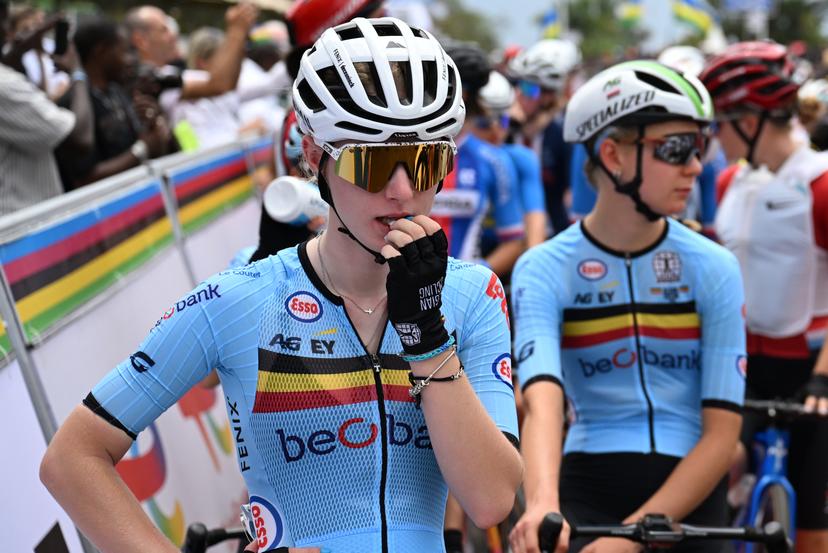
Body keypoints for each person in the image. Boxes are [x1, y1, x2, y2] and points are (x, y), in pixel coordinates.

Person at [40, 16, 522, 553]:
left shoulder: (470, 293)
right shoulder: (242, 296)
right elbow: (72, 457)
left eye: (427, 161)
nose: (403, 191)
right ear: (315, 158)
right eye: (373, 164)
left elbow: (490, 501)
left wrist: (427, 335)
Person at [509, 60, 746, 553]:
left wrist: (631, 540)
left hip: (692, 493)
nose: (696, 167)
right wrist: (542, 503)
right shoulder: (544, 267)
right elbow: (543, 400)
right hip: (588, 483)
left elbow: (722, 436)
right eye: (676, 149)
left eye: (700, 148)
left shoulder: (715, 266)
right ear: (614, 156)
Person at [699, 41, 828, 553]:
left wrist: (822, 375)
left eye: (721, 123)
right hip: (743, 366)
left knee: (814, 533)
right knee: (712, 488)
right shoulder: (731, 180)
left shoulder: (819, 183)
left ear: (751, 119)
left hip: (810, 374)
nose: (713, 138)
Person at [0, 1, 93, 214]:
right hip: (21, 231)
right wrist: (78, 72)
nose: (8, 33)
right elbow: (79, 138)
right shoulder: (4, 84)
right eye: (4, 21)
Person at [55, 17, 170, 190]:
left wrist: (153, 127)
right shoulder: (75, 103)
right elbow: (85, 180)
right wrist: (142, 149)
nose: (129, 60)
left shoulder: (117, 92)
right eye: (122, 52)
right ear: (101, 51)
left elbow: (144, 146)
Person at [508, 39, 581, 235]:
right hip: (510, 232)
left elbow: (572, 193)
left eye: (528, 88)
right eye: (516, 85)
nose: (518, 94)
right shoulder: (506, 128)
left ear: (548, 95)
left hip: (551, 231)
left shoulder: (561, 134)